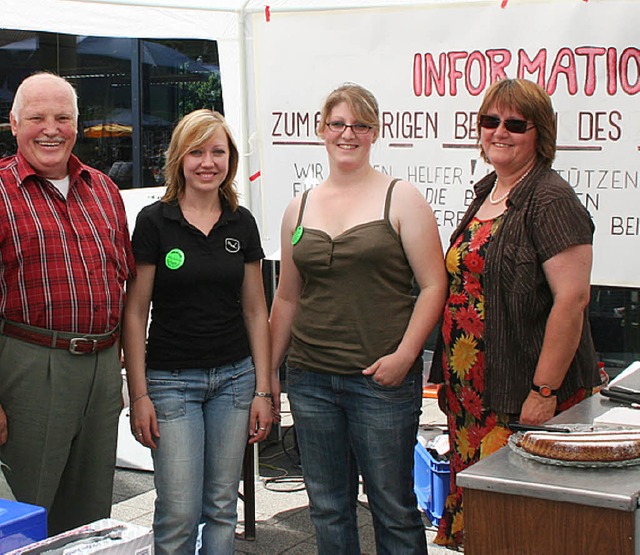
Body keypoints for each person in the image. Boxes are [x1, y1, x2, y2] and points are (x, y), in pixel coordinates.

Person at [270, 83, 447, 554]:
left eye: (359, 124)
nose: (348, 134)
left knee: (393, 508)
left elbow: (434, 286)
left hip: (381, 383)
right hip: (310, 380)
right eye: (338, 124)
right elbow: (287, 298)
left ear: (375, 132)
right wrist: (269, 371)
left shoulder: (401, 198)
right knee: (328, 509)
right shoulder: (298, 208)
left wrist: (405, 357)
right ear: (321, 130)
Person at [429, 78, 604, 550]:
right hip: (474, 397)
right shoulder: (490, 190)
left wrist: (543, 391)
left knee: (526, 529)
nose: (499, 132)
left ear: (539, 133)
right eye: (490, 121)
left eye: (514, 124)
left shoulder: (550, 199)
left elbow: (572, 300)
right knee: (491, 525)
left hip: (522, 395)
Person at [122, 109, 273, 555]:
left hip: (234, 380)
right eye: (197, 151)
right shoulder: (155, 221)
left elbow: (254, 308)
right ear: (179, 158)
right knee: (179, 512)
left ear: (230, 160)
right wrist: (139, 394)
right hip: (171, 383)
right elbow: (135, 312)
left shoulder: (240, 222)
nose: (208, 162)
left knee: (223, 508)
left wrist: (264, 391)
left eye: (218, 152)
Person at [0, 72, 135, 534]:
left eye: (63, 117)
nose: (51, 128)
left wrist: (117, 374)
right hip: (29, 366)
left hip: (100, 368)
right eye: (37, 117)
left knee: (92, 514)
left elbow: (122, 287)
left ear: (77, 124)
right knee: (25, 514)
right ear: (14, 124)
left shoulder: (104, 191)